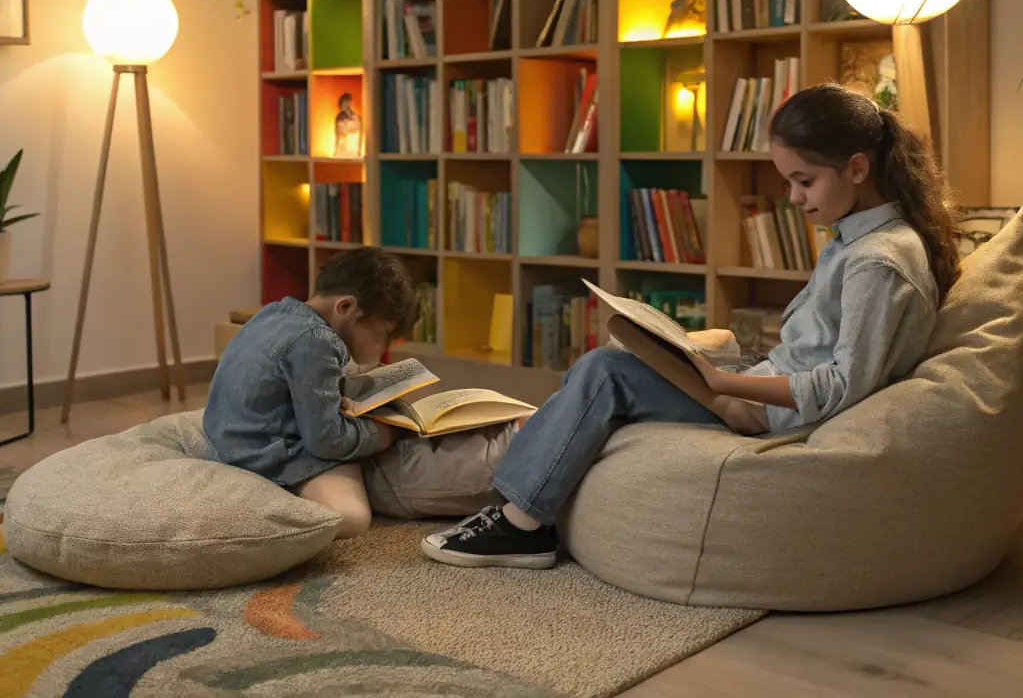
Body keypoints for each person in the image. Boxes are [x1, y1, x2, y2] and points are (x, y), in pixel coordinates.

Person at [421, 83, 960, 569]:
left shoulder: (877, 261)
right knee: (618, 357)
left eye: (804, 181)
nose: (794, 198)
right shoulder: (859, 240)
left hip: (771, 414)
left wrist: (727, 385)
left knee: (605, 372)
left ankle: (520, 526)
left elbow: (845, 384)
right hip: (762, 386)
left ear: (859, 169)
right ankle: (521, 500)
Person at [204, 247, 418, 538]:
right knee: (352, 517)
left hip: (227, 439)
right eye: (383, 336)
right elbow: (327, 441)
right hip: (266, 454)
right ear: (345, 308)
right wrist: (384, 434)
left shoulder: (273, 312)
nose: (383, 348)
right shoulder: (316, 341)